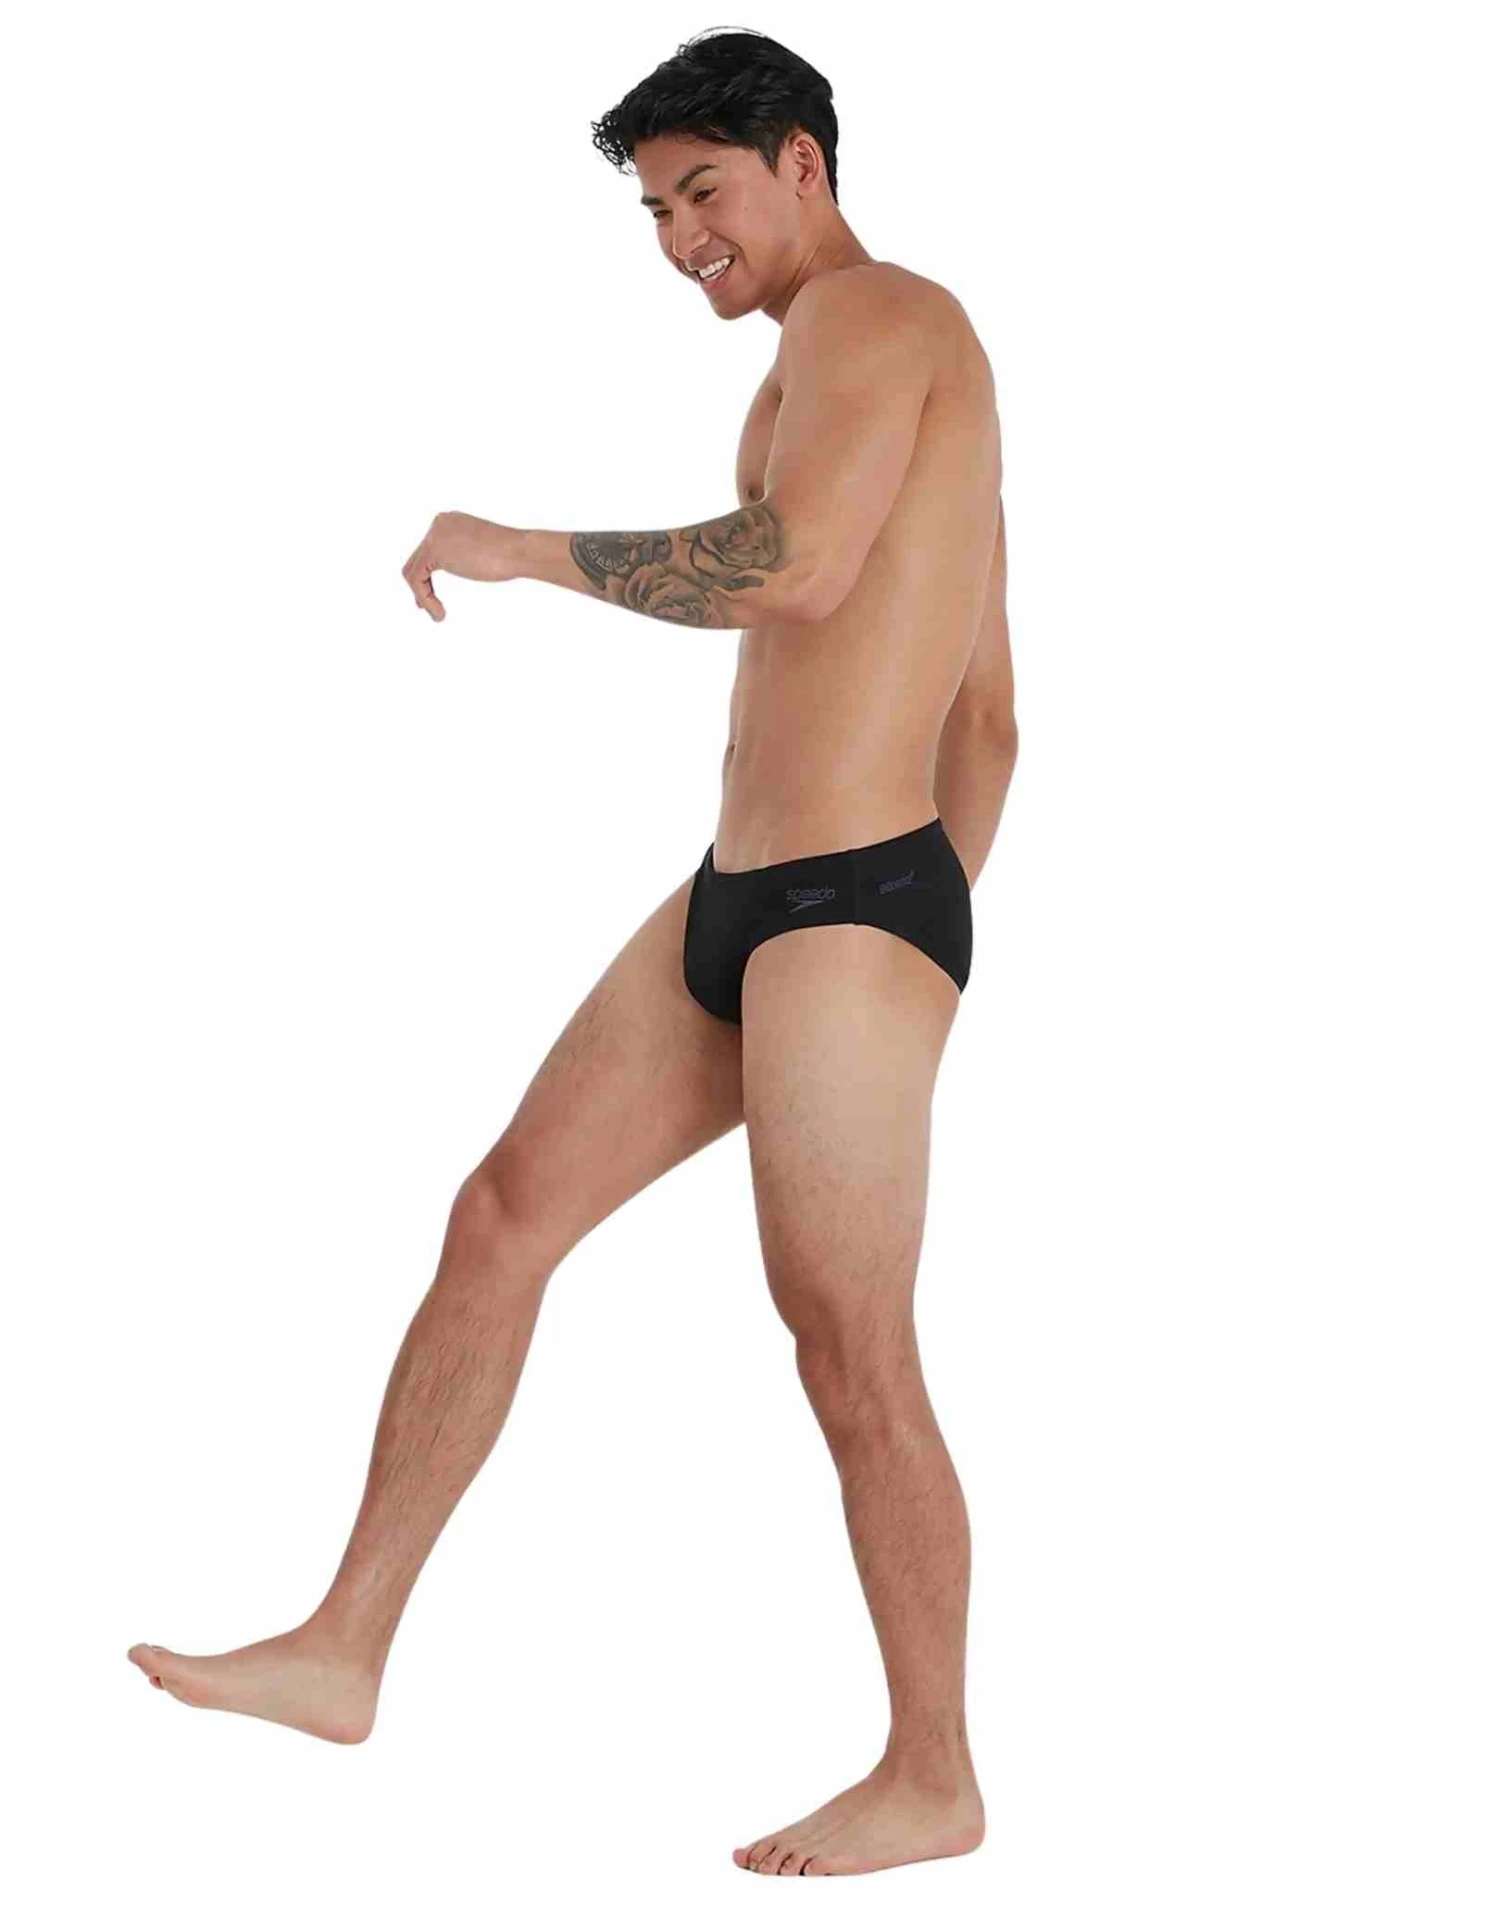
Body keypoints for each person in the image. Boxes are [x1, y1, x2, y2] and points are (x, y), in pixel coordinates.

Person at [128, 27, 1019, 1880]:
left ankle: (933, 1772)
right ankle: (343, 1648)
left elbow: (797, 570)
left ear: (803, 163)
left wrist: (525, 550)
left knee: (846, 1343)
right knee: (502, 1217)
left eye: (704, 191)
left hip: (849, 904)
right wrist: (933, 920)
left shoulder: (883, 316)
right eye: (655, 210)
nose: (681, 238)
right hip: (745, 896)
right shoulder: (846, 363)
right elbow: (994, 710)